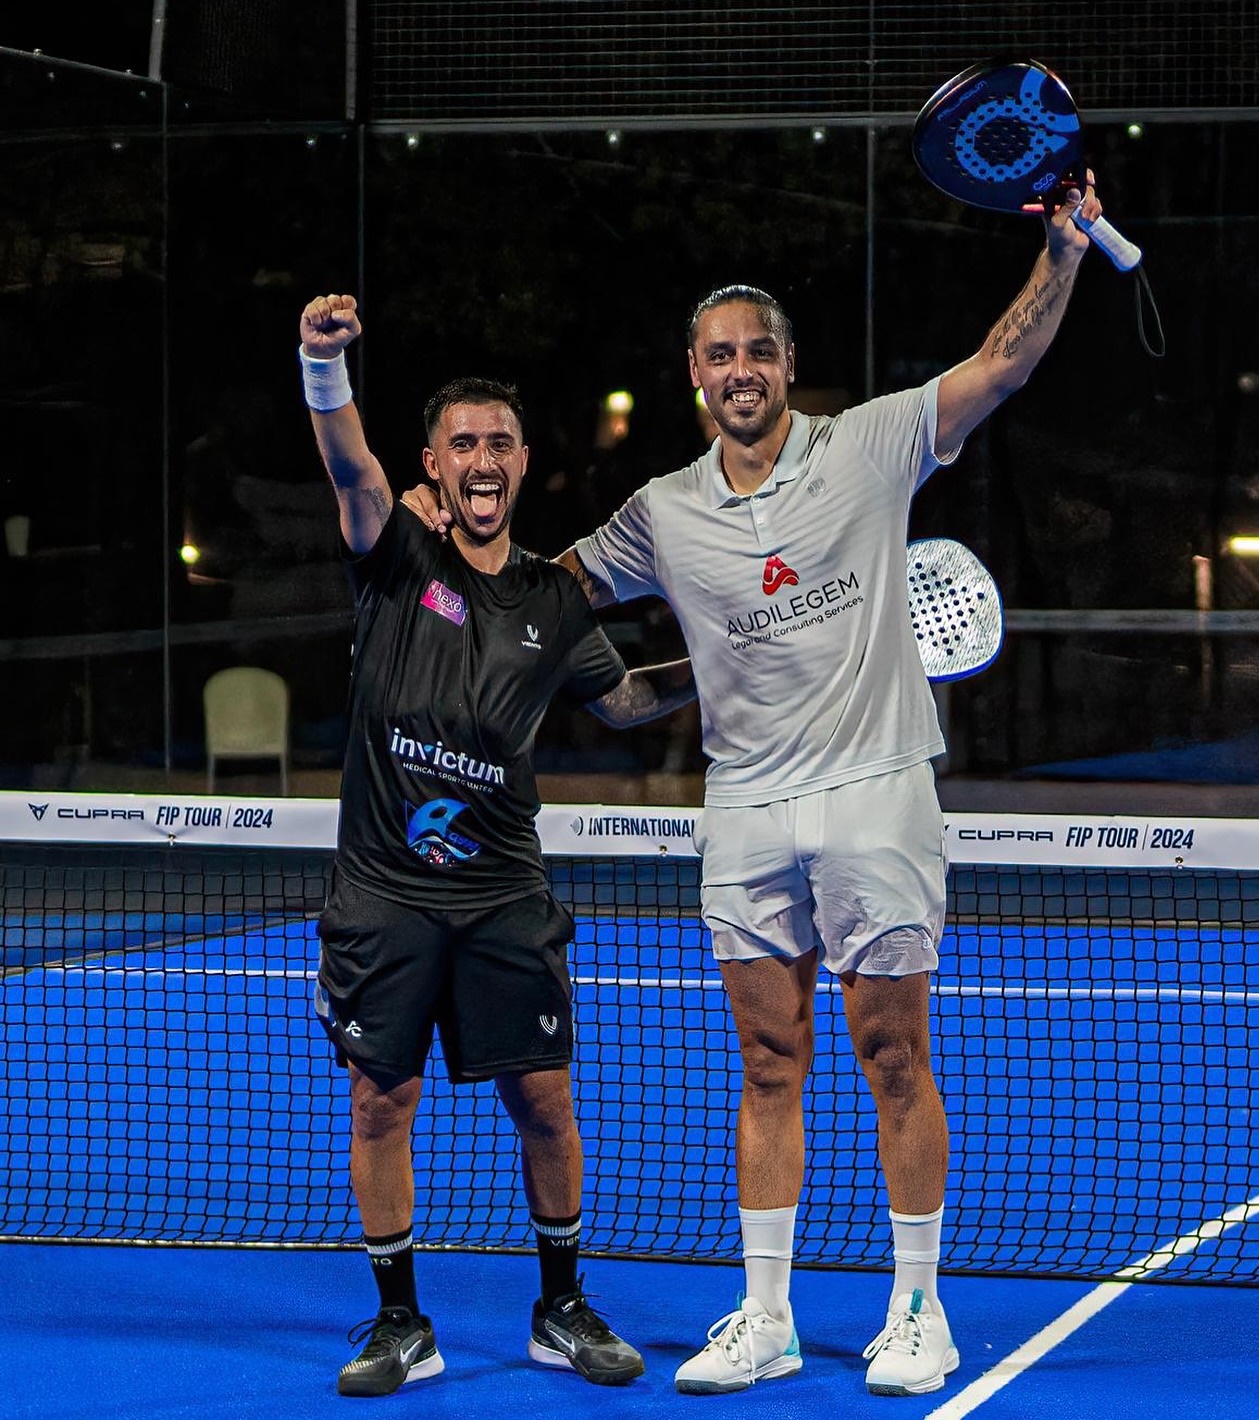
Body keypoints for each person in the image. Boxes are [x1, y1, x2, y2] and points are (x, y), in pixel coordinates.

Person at [403, 173, 1106, 1397]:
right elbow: (540, 585)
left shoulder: (876, 443)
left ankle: (918, 1310)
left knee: (893, 1051)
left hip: (878, 786)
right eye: (718, 354)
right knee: (767, 1059)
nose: (740, 370)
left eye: (759, 352)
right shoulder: (661, 512)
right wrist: (434, 544)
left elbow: (1003, 364)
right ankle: (768, 1315)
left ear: (789, 364)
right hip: (744, 804)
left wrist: (1062, 252)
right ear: (694, 375)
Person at [298, 292, 695, 1397]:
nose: (482, 458)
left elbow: (619, 703)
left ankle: (560, 1306)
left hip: (506, 894)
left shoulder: (554, 599)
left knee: (546, 1100)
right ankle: (398, 1323)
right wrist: (320, 365)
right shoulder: (392, 551)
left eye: (500, 443)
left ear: (524, 464)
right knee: (381, 1100)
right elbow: (346, 465)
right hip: (384, 893)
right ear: (433, 461)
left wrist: (729, 658)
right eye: (462, 442)